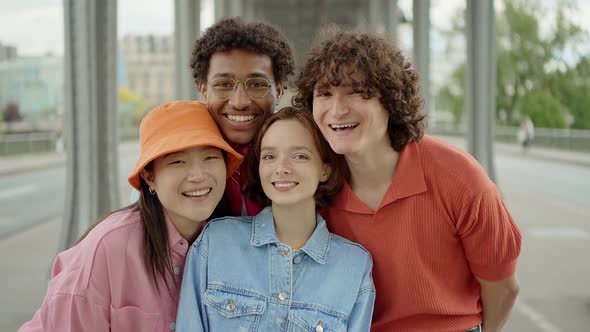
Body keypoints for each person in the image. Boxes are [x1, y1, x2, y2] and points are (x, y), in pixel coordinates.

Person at [294, 27, 522, 332]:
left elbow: (503, 288)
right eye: (324, 94)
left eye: (356, 91)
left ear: (390, 100)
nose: (337, 109)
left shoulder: (460, 179)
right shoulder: (315, 183)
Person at [19, 101, 242, 331]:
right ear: (149, 176)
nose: (198, 175)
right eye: (178, 161)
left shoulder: (232, 243)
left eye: (210, 158)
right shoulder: (108, 247)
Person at [176, 107, 376, 331]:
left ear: (325, 170)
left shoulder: (354, 267)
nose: (281, 168)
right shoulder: (215, 242)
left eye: (300, 156)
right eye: (269, 156)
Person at [129, 17, 296, 216]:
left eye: (257, 84)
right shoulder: (173, 148)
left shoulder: (305, 148)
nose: (239, 102)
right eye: (223, 84)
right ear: (204, 90)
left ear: (278, 91)